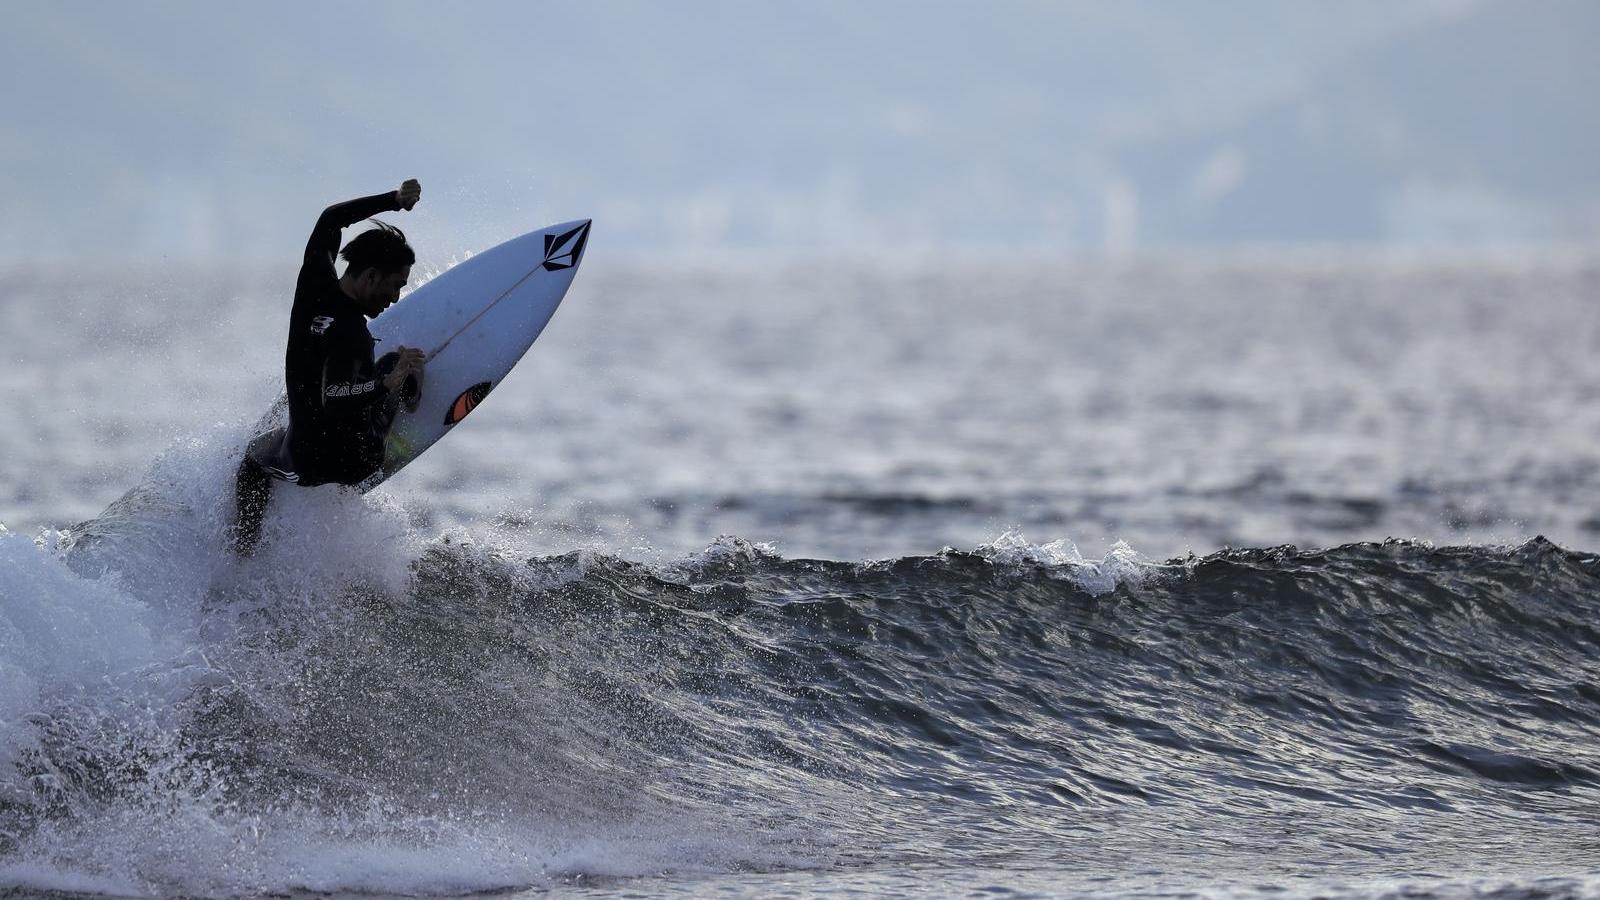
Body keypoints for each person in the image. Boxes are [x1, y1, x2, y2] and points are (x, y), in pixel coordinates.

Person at [230, 180, 428, 556]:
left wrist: (393, 201)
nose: (396, 298)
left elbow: (330, 219)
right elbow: (337, 398)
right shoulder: (352, 333)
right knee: (394, 362)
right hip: (349, 462)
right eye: (395, 286)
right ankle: (409, 392)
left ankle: (244, 547)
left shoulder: (314, 284)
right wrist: (389, 381)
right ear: (370, 276)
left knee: (254, 460)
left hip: (297, 457)